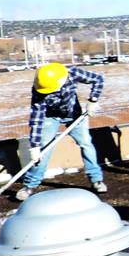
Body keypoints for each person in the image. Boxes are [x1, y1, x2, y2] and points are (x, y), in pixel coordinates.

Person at [15, 62, 107, 200]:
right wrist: (34, 146)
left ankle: (96, 180)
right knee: (44, 150)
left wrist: (93, 100)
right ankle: (29, 185)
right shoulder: (39, 89)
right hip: (50, 117)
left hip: (74, 114)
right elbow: (37, 118)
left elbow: (98, 79)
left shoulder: (71, 73)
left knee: (86, 143)